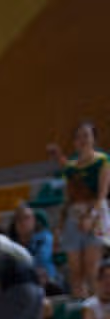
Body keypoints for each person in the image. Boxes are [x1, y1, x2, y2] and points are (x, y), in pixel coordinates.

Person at [46, 122, 110, 299]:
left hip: (95, 215)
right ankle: (84, 311)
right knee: (75, 270)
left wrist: (91, 217)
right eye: (78, 136)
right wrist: (58, 155)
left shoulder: (102, 161)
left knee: (91, 268)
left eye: (86, 136)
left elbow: (102, 194)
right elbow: (69, 172)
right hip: (74, 215)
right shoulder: (72, 167)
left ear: (94, 139)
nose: (82, 140)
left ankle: (99, 307)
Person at [9, 203, 59, 292]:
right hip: (21, 286)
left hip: (48, 283)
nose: (23, 222)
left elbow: (42, 259)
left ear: (34, 221)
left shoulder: (44, 237)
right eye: (19, 219)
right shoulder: (11, 244)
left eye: (27, 218)